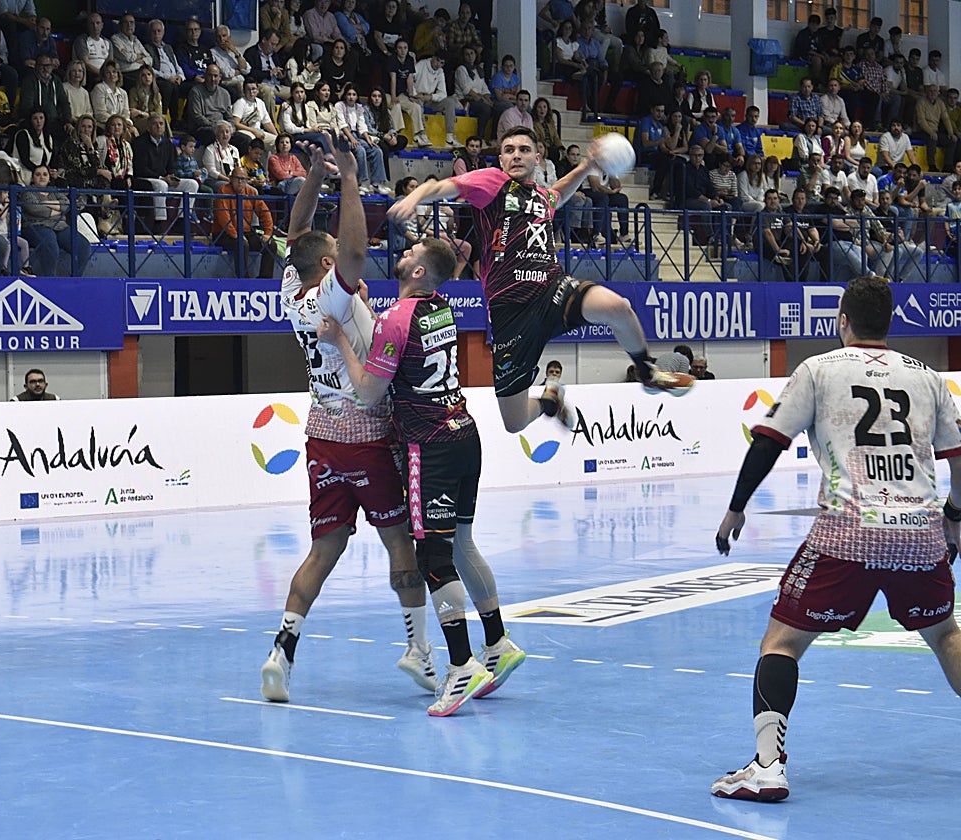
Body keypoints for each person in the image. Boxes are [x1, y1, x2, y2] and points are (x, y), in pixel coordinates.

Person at [711, 276, 961, 802]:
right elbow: (958, 458)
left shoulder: (818, 369)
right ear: (889, 323)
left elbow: (769, 441)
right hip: (919, 534)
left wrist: (736, 508)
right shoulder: (927, 376)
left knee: (781, 643)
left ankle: (768, 768)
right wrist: (954, 517)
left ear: (841, 320)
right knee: (945, 636)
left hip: (847, 534)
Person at [318, 234, 527, 717]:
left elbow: (369, 392)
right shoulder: (441, 308)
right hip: (464, 432)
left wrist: (341, 340)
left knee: (433, 557)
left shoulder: (398, 317)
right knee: (462, 544)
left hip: (430, 444)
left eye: (410, 253)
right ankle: (497, 644)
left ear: (417, 273)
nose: (403, 252)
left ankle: (461, 667)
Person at [260, 137, 436, 705]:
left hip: (320, 437)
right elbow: (355, 253)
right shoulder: (333, 297)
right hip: (367, 436)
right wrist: (352, 180)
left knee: (323, 551)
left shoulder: (292, 287)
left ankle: (280, 653)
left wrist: (313, 174)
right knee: (400, 547)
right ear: (329, 267)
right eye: (336, 253)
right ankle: (420, 651)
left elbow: (298, 233)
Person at [388, 127, 695, 437]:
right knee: (515, 422)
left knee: (617, 306)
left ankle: (646, 371)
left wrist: (587, 167)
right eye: (509, 150)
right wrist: (414, 195)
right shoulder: (493, 182)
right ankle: (549, 400)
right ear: (501, 158)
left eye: (523, 149)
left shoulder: (541, 196)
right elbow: (445, 185)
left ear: (537, 157)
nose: (516, 155)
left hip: (551, 288)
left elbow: (559, 192)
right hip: (510, 311)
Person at [212, 165, 275, 278]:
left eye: (244, 179)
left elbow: (265, 212)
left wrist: (267, 233)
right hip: (223, 234)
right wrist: (236, 235)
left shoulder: (251, 192)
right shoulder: (223, 191)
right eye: (237, 178)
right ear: (231, 179)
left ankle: (264, 280)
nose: (240, 182)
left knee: (271, 245)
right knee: (242, 244)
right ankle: (244, 280)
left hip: (245, 231)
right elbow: (224, 219)